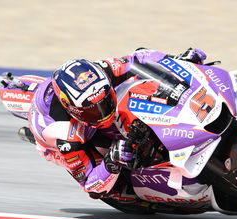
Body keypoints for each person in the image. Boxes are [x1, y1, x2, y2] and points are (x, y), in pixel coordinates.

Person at [20, 48, 207, 200]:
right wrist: (111, 162)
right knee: (113, 184)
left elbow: (140, 57)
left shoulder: (103, 71)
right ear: (73, 109)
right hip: (62, 140)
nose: (103, 112)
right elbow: (90, 186)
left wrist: (175, 62)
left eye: (105, 100)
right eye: (93, 109)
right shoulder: (64, 135)